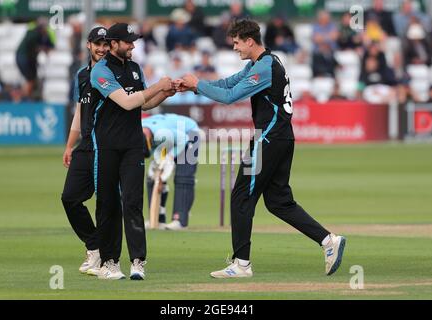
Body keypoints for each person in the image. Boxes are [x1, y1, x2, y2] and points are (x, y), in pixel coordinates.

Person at [175, 19, 346, 278]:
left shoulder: (264, 68)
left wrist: (198, 84)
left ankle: (241, 264)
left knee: (241, 196)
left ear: (249, 41)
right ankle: (328, 241)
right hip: (281, 138)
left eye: (236, 42)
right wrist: (195, 86)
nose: (234, 48)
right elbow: (228, 84)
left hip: (268, 139)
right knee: (279, 202)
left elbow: (230, 97)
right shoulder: (264, 62)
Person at [90, 23, 174, 280]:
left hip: (133, 145)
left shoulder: (135, 69)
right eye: (128, 42)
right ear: (114, 43)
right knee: (108, 204)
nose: (133, 46)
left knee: (133, 203)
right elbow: (127, 102)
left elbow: (145, 101)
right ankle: (109, 262)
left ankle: (138, 261)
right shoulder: (100, 71)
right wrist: (158, 85)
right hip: (106, 146)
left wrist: (165, 93)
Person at [61, 27, 110, 276]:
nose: (101, 48)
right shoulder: (81, 75)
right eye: (97, 44)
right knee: (69, 198)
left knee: (105, 203)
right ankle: (94, 246)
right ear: (89, 45)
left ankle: (105, 256)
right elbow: (80, 112)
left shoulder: (116, 73)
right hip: (86, 146)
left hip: (108, 146)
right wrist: (70, 145)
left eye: (105, 44)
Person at [142, 114, 200, 231]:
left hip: (189, 134)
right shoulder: (138, 130)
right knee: (154, 176)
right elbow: (154, 148)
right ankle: (157, 219)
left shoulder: (161, 132)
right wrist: (160, 161)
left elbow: (182, 139)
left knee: (183, 177)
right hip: (169, 139)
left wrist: (170, 156)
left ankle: (180, 220)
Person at [15, 17, 55, 100]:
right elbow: (32, 47)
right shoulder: (33, 33)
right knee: (30, 79)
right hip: (25, 59)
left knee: (31, 79)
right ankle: (25, 99)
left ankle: (27, 97)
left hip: (29, 59)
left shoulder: (42, 34)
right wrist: (42, 48)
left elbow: (50, 45)